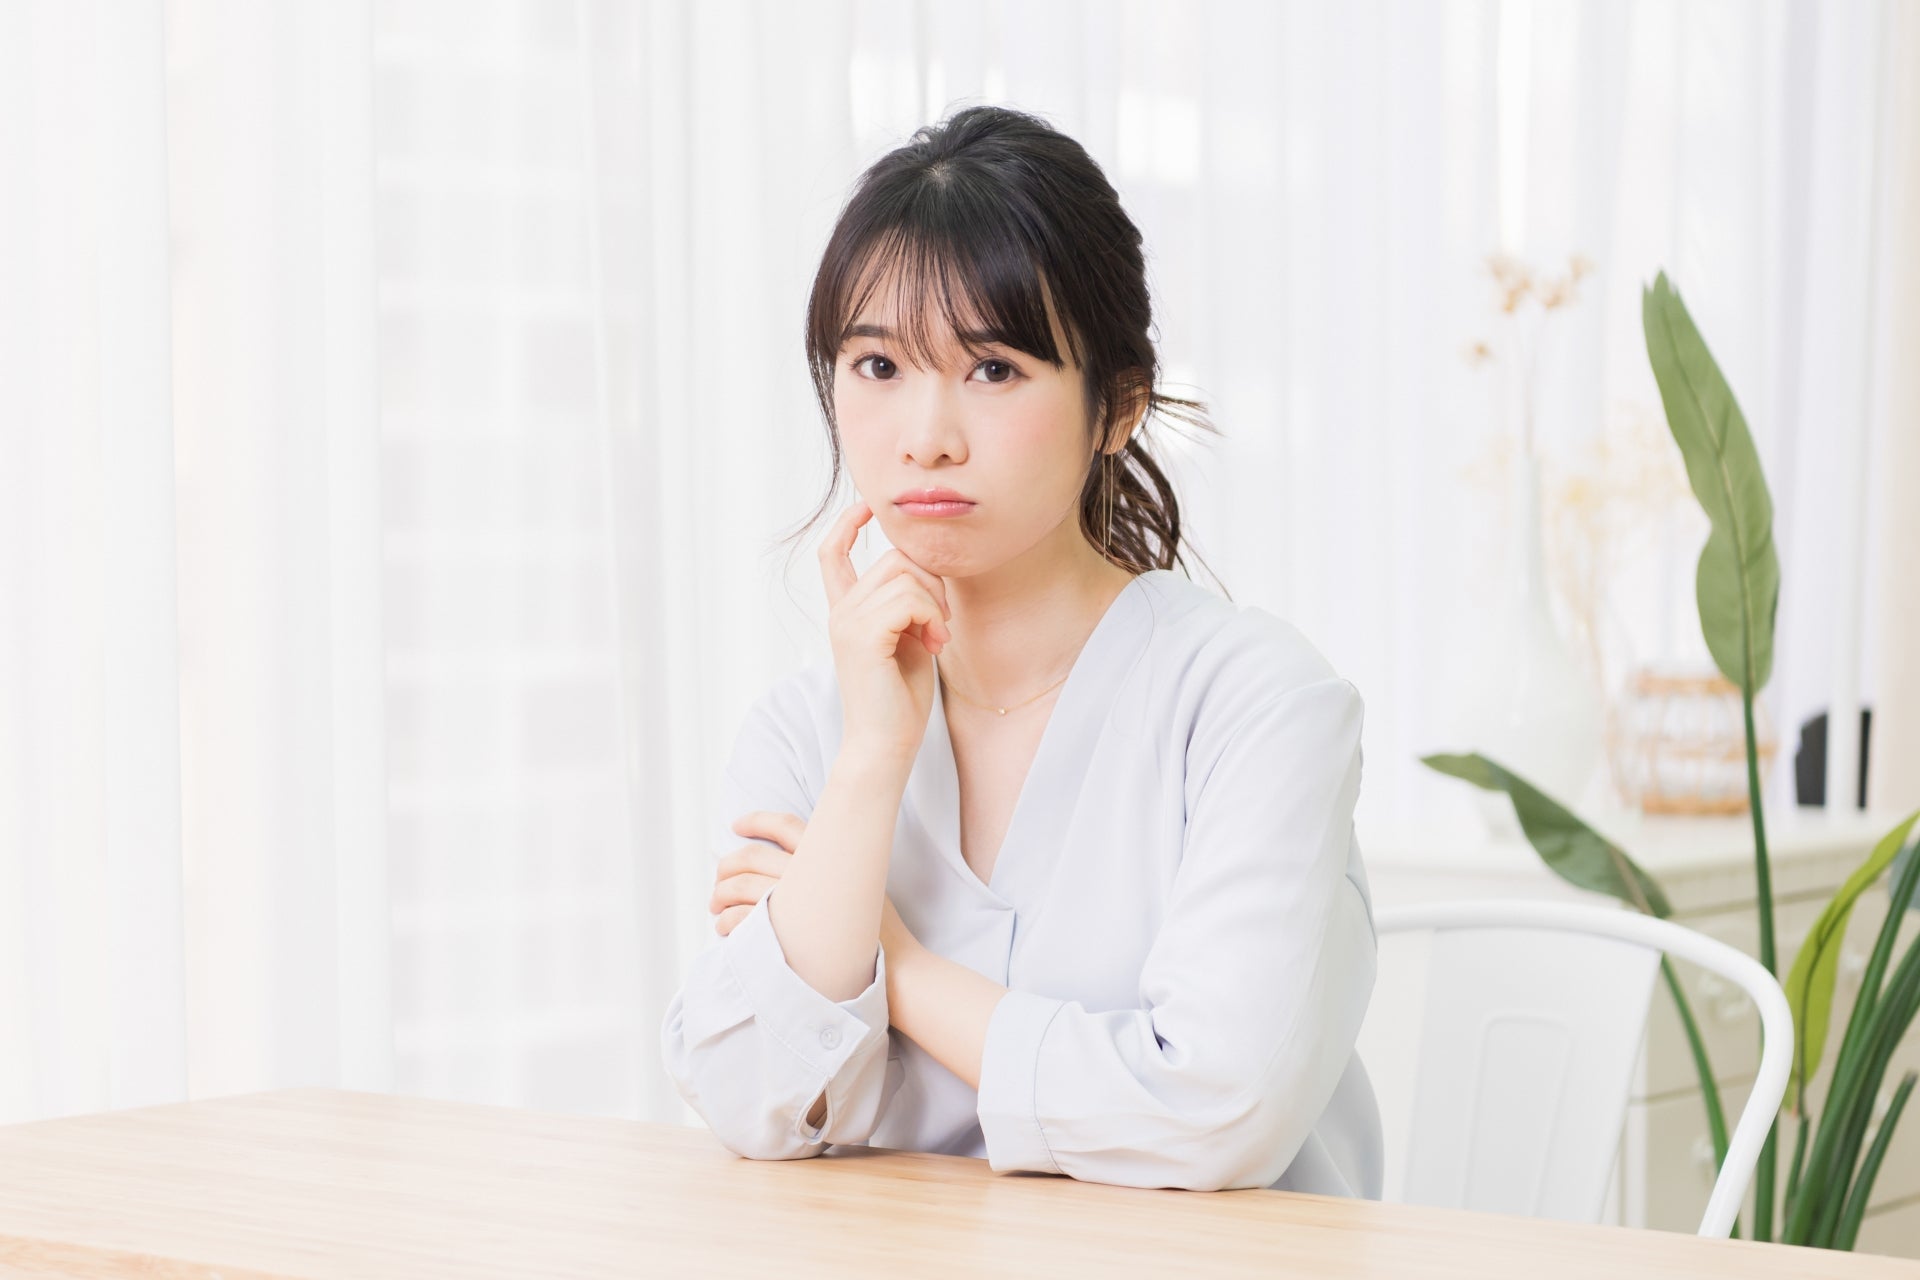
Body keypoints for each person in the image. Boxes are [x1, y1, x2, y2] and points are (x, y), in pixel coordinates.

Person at [659, 104, 1382, 1196]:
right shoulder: (811, 733)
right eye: (877, 365)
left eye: (994, 369)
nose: (925, 434)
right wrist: (871, 762)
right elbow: (753, 1102)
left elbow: (1215, 1113)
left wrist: (895, 968)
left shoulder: (1259, 705)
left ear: (1118, 406)